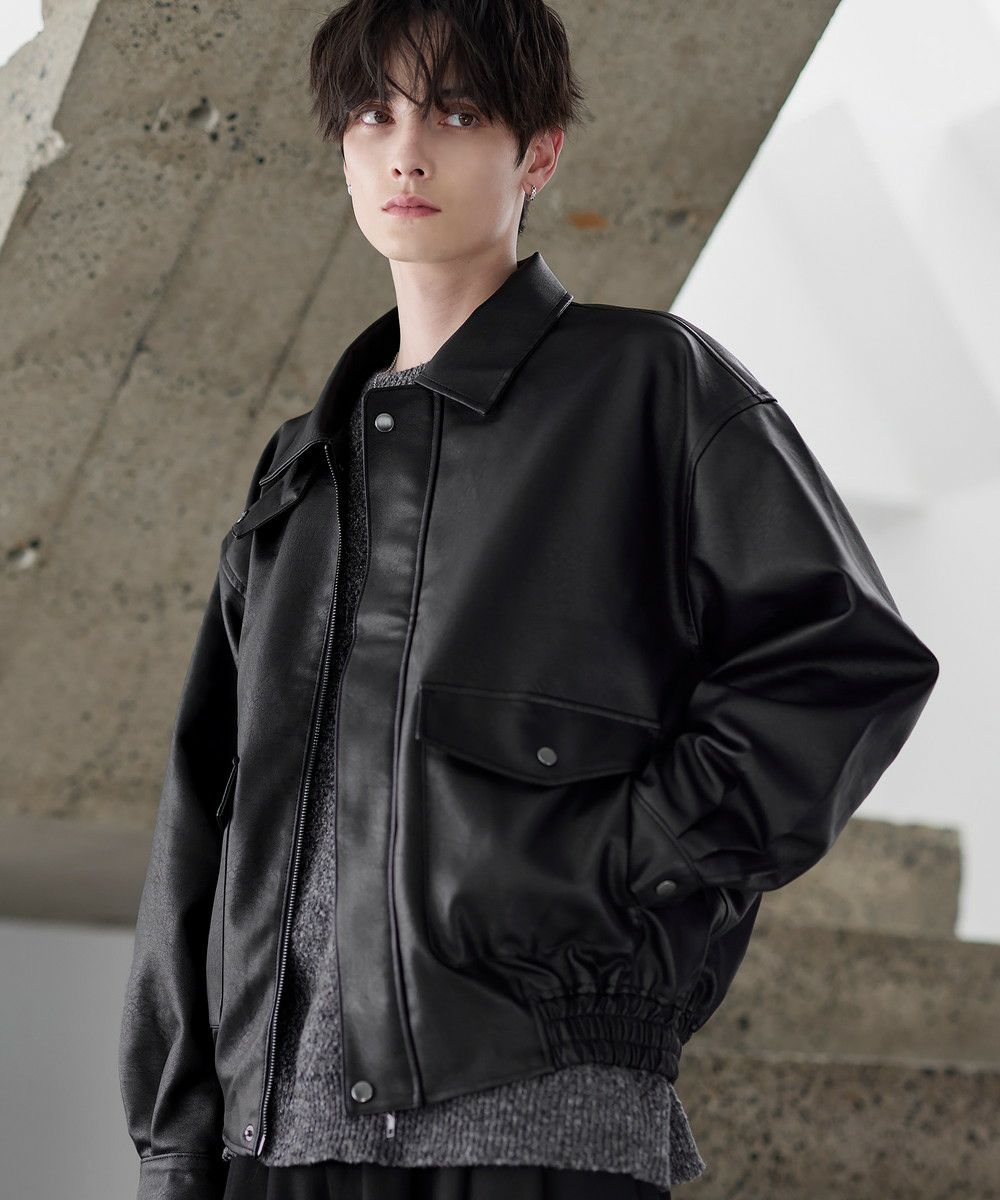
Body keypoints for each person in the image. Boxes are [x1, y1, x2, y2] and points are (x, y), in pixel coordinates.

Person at [117, 2, 940, 1198]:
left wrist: (615, 864)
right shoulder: (302, 468)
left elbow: (844, 667)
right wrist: (175, 1140)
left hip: (539, 1120)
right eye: (372, 115)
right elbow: (206, 816)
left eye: (455, 115)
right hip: (274, 1144)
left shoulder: (648, 385)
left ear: (537, 153)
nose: (406, 153)